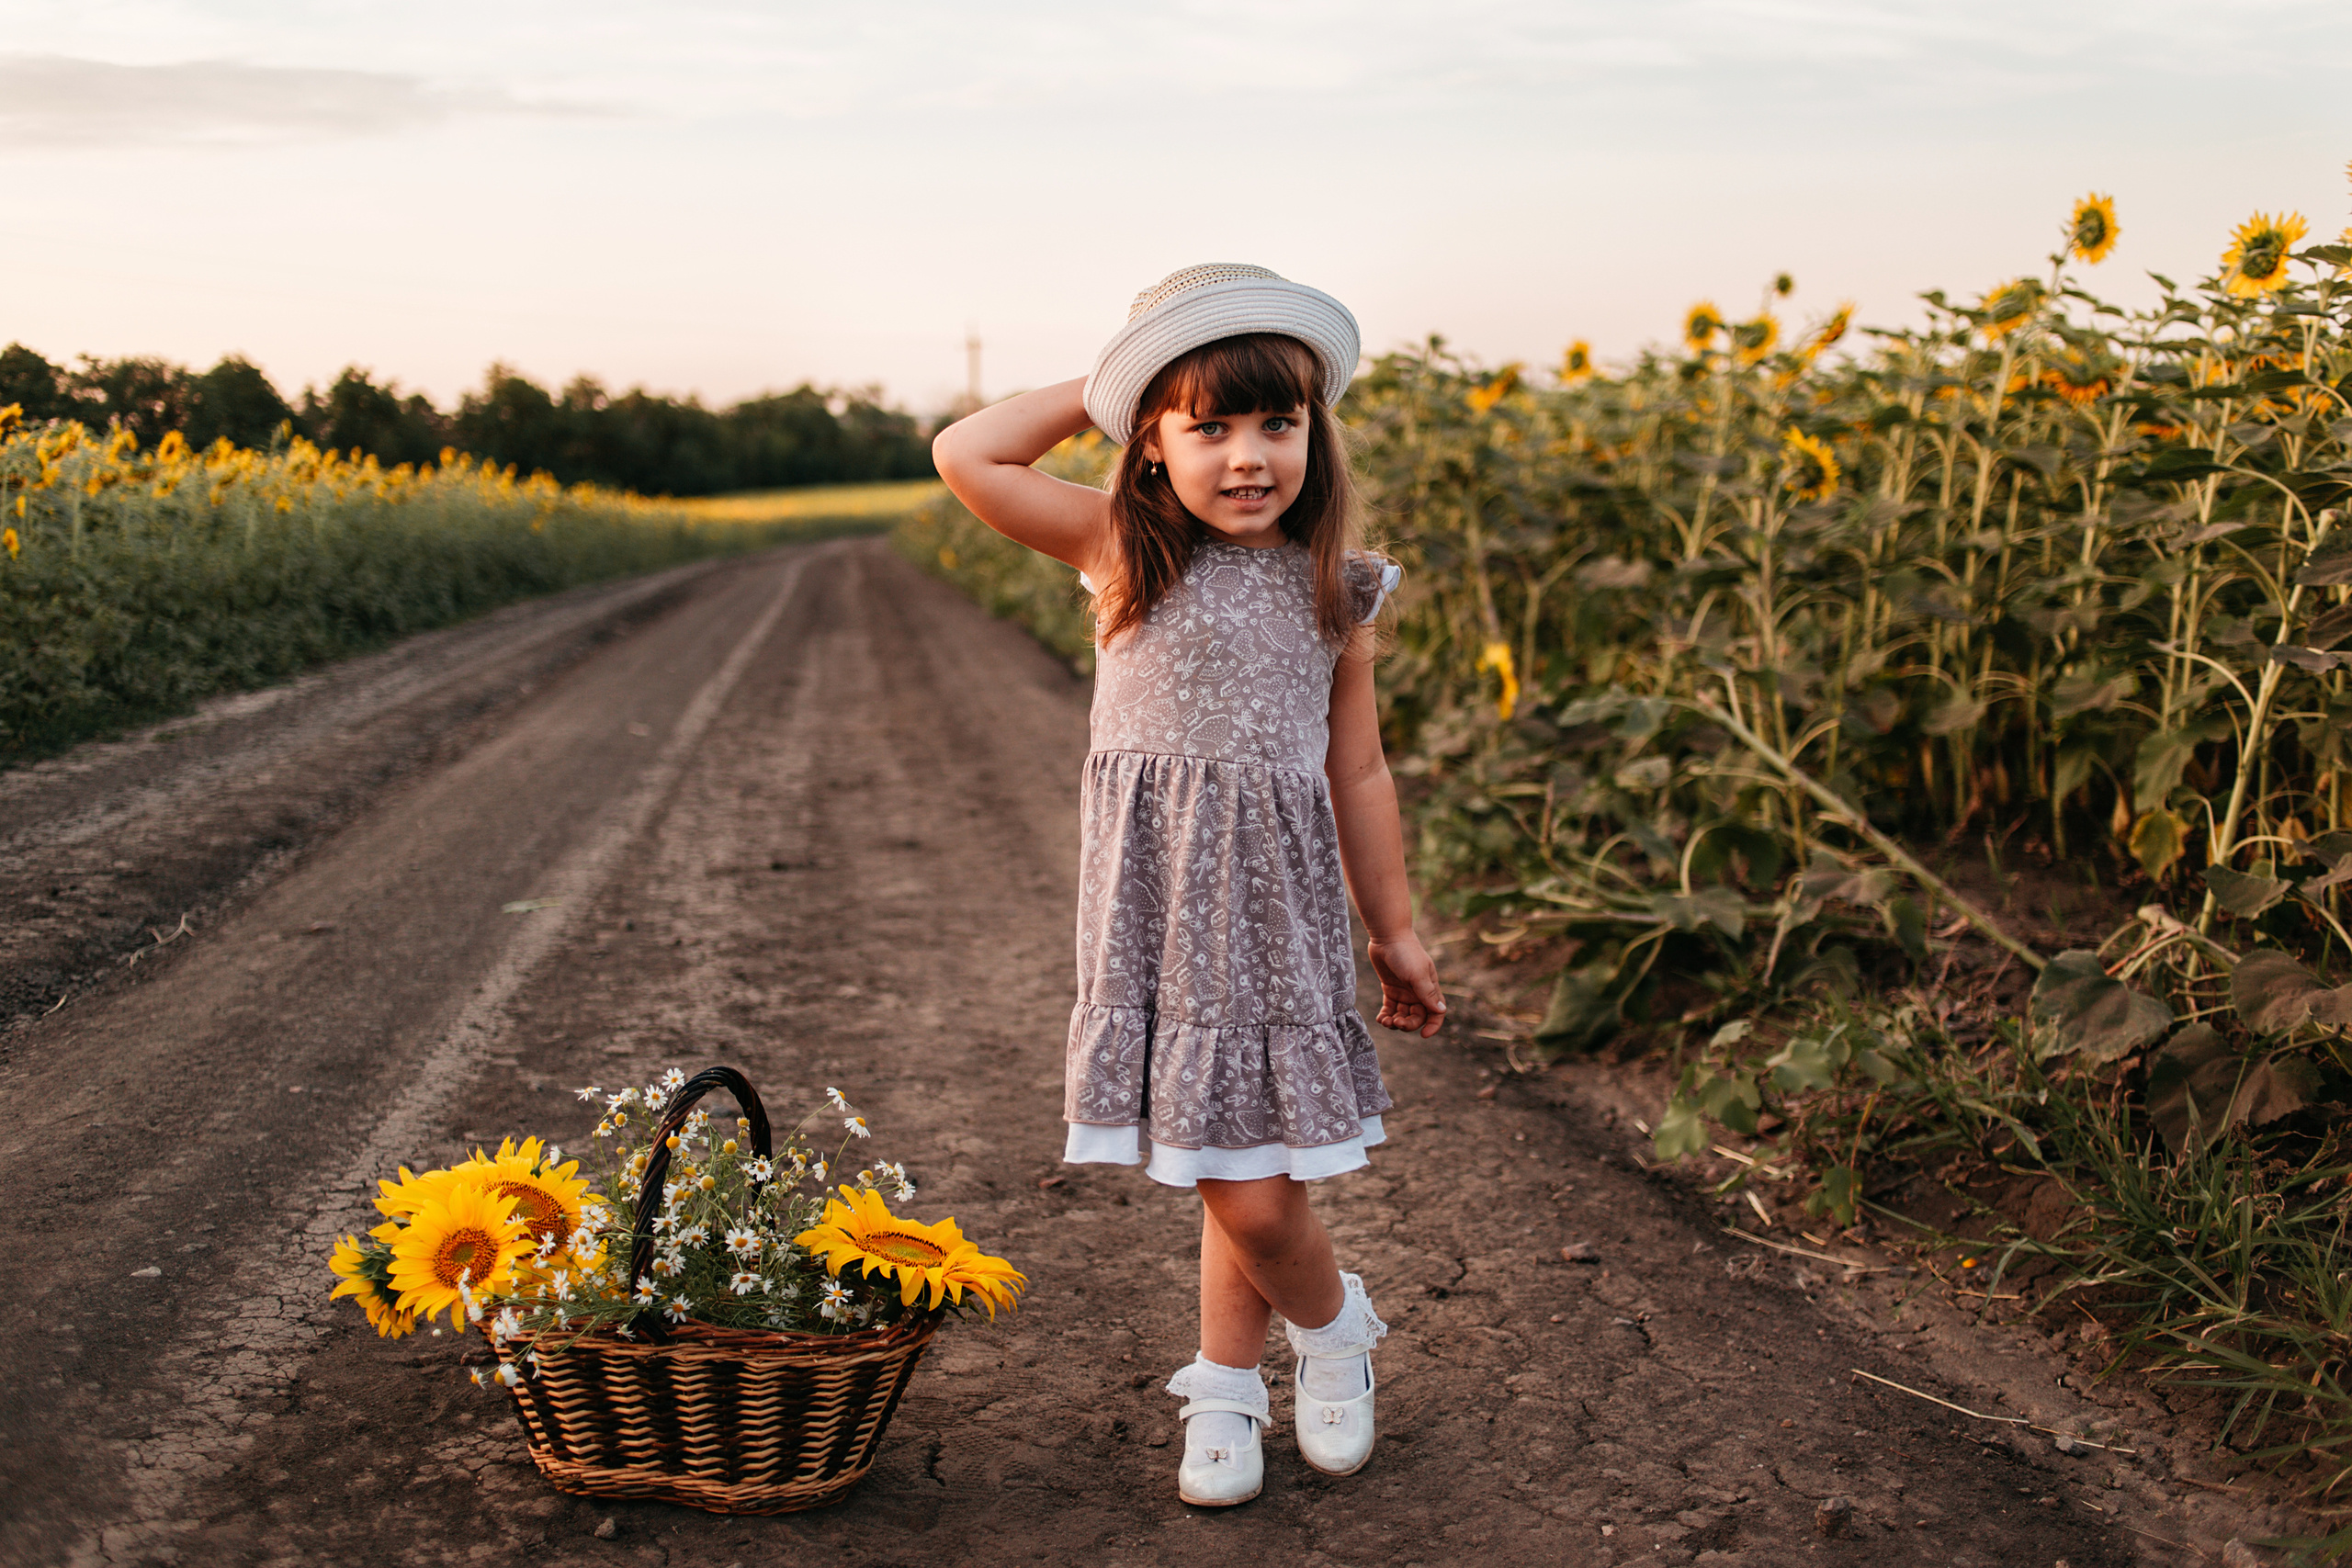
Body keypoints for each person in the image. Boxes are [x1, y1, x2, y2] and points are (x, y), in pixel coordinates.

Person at [933, 263, 1446, 1507]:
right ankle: (1293, 1346)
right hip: (1159, 915)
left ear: (1316, 434)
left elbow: (1361, 772)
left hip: (1279, 915)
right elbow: (971, 454)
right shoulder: (1124, 550)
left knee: (1248, 1173)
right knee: (1240, 1166)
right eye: (1205, 425)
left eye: (1279, 421)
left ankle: (1281, 1350)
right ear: (1147, 444)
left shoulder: (1337, 585)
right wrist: (1124, 374)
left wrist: (1398, 930)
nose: (1249, 455)